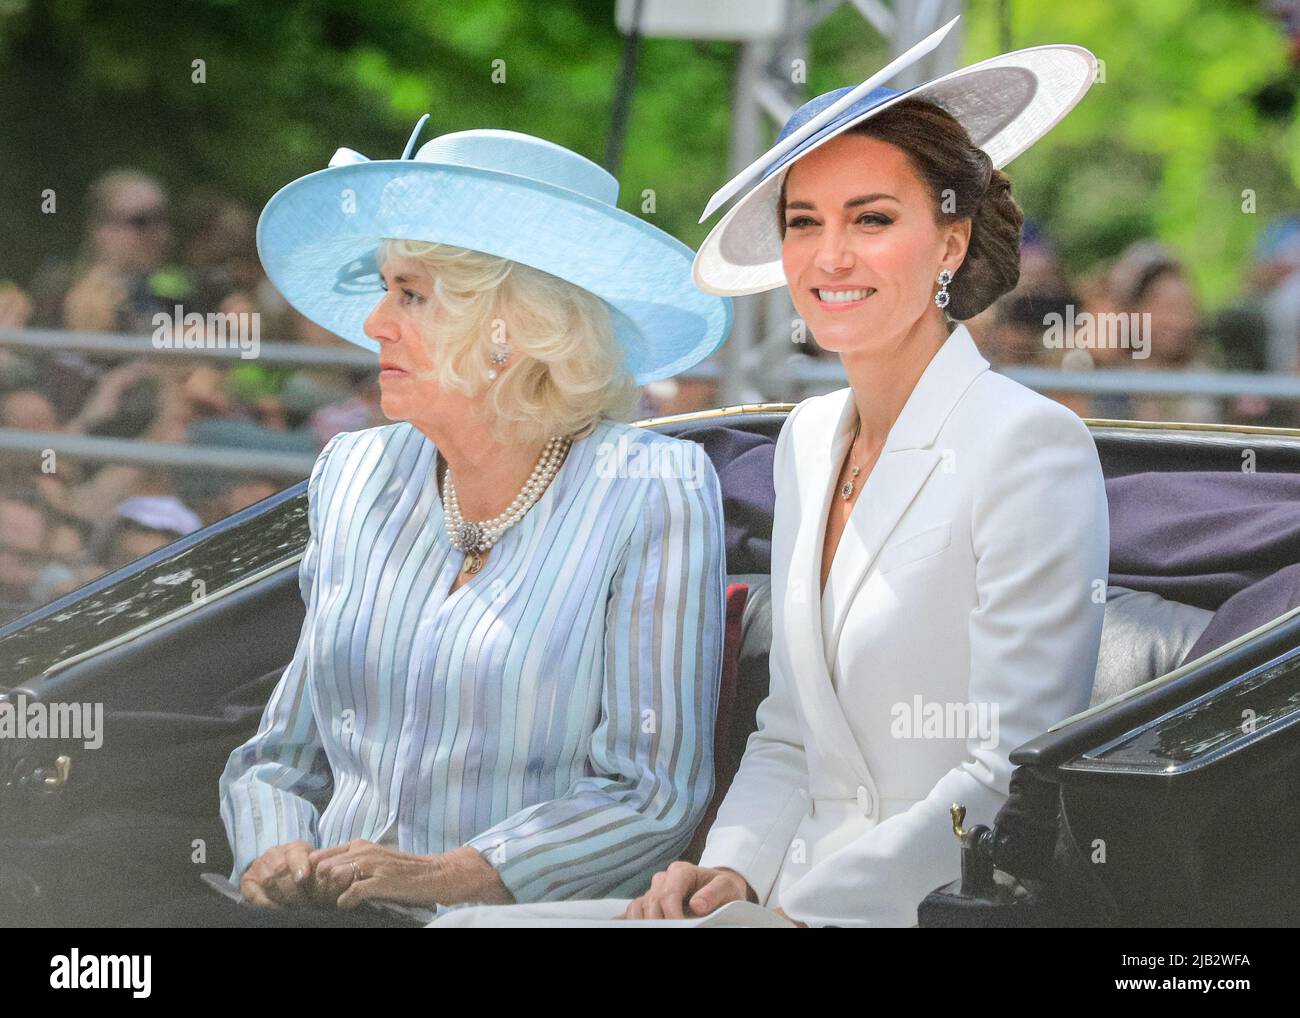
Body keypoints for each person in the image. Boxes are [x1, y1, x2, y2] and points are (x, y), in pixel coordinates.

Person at [435, 22, 1110, 928]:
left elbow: (1008, 770)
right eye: (804, 223)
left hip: (913, 907)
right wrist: (731, 875)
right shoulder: (808, 436)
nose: (831, 256)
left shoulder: (1030, 444)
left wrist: (804, 909)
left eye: (873, 219)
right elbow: (790, 731)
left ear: (949, 245)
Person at [133, 122, 732, 926]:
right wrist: (274, 850)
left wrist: (457, 875)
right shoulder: (355, 473)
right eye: (386, 289)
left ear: (512, 331)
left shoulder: (651, 486)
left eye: (410, 294)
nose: (377, 322)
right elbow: (279, 756)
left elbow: (650, 792)